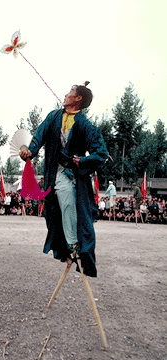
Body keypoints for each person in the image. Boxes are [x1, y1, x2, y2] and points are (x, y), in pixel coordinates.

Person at [20, 82, 108, 277]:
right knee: (56, 210)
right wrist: (29, 151)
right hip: (55, 175)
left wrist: (83, 160)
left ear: (77, 99)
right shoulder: (53, 117)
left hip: (75, 176)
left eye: (70, 92)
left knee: (75, 207)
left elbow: (101, 153)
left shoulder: (85, 125)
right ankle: (69, 245)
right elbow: (38, 137)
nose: (66, 94)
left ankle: (75, 246)